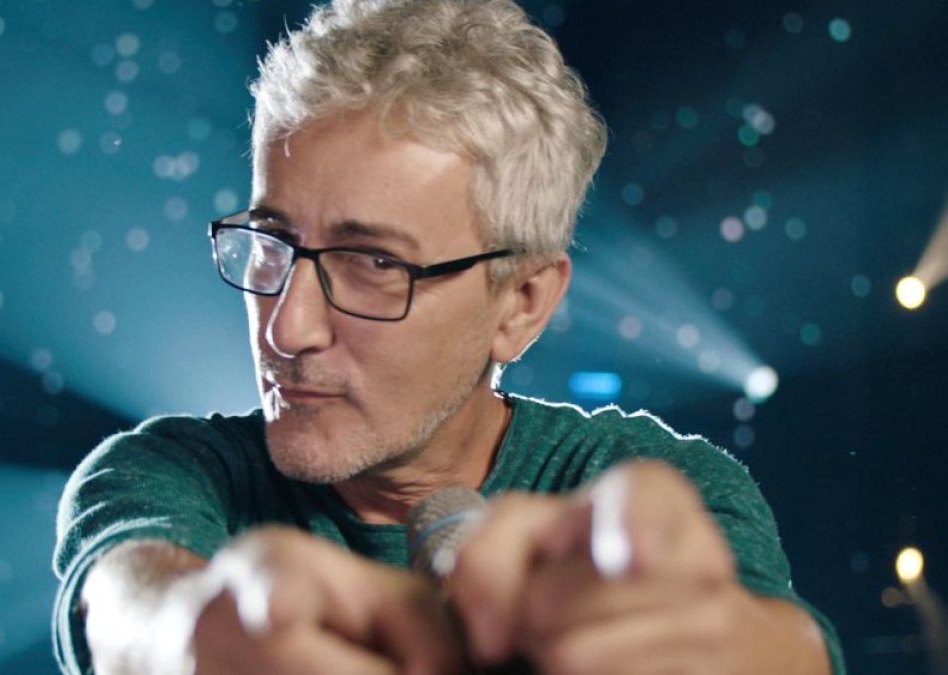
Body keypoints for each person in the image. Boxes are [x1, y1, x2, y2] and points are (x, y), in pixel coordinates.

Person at [53, 1, 844, 673]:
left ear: (522, 303)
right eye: (271, 243)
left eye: (374, 263)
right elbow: (127, 600)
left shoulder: (650, 484)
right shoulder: (172, 472)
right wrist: (194, 633)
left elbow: (782, 646)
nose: (288, 327)